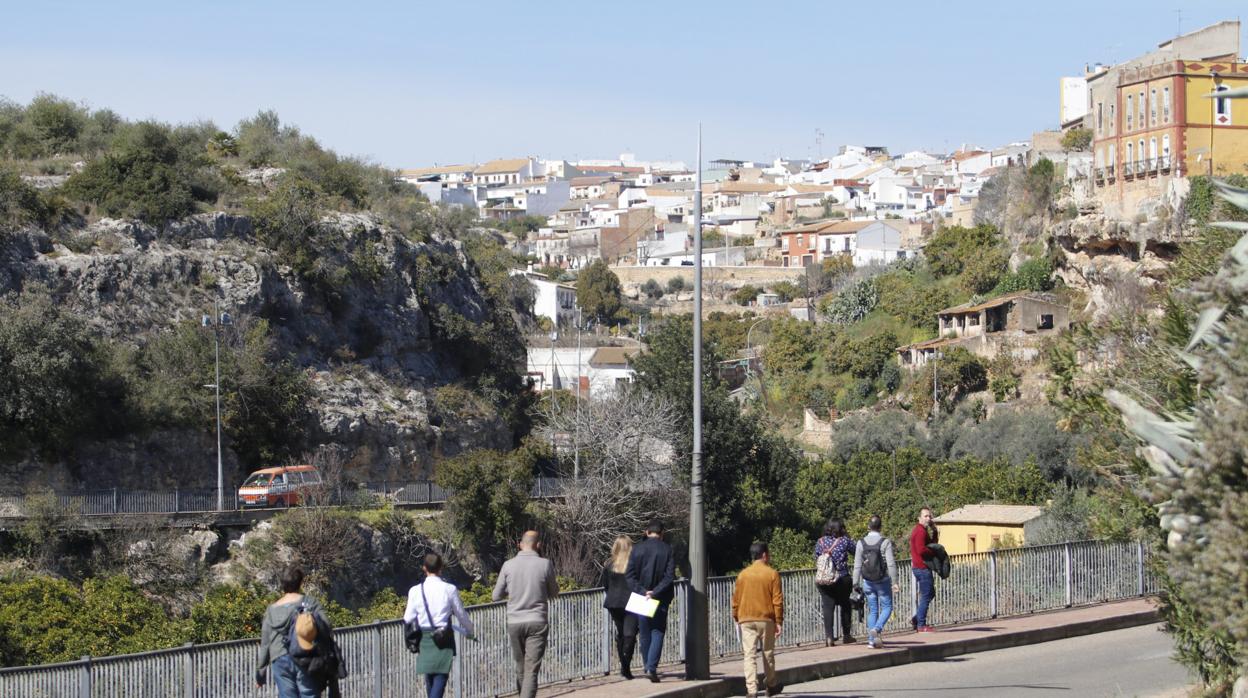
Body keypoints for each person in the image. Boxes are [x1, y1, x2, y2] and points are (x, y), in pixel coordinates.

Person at [493, 530, 560, 698]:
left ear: (520, 545)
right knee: (531, 670)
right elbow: (554, 592)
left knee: (521, 667)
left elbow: (496, 596)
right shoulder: (545, 564)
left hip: (514, 622)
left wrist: (512, 588)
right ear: (539, 545)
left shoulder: (508, 565)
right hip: (537, 620)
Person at [404, 552, 475, 698]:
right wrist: (470, 630)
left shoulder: (415, 591)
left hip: (424, 637)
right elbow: (461, 615)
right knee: (440, 678)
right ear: (441, 568)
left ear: (424, 568)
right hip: (444, 636)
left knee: (430, 678)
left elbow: (408, 617)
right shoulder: (449, 589)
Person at [256, 566, 333, 698]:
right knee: (309, 694)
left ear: (282, 584)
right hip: (306, 655)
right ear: (300, 582)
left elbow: (265, 643)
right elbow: (327, 626)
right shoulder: (309, 603)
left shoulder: (271, 610)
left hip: (279, 658)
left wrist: (260, 673)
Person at [732, 542, 785, 698]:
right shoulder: (772, 574)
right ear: (764, 555)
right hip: (766, 618)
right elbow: (777, 600)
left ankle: (752, 690)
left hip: (746, 618)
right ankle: (771, 684)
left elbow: (735, 599)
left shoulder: (742, 575)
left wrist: (736, 615)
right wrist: (779, 621)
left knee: (749, 655)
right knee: (767, 653)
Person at [625, 519, 676, 683]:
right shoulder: (667, 550)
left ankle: (647, 665)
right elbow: (669, 576)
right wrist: (655, 592)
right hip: (660, 597)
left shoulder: (637, 549)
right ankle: (652, 667)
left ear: (647, 532)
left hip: (641, 597)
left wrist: (642, 591)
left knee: (645, 632)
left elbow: (630, 576)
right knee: (658, 631)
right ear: (662, 534)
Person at [852, 515, 899, 650]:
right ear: (880, 527)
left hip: (868, 581)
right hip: (882, 581)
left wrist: (855, 583)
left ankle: (871, 641)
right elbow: (890, 563)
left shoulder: (861, 543)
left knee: (873, 610)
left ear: (868, 527)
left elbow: (857, 565)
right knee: (887, 607)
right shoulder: (885, 542)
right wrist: (895, 581)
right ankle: (877, 628)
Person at [599, 535, 639, 679]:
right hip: (632, 602)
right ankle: (625, 667)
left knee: (622, 633)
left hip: (614, 602)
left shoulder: (609, 564)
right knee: (630, 634)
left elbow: (606, 585)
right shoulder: (634, 564)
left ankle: (624, 666)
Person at [813, 519, 854, 646]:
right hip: (841, 577)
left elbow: (816, 556)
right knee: (845, 604)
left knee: (827, 606)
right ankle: (846, 635)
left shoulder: (820, 541)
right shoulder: (844, 540)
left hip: (824, 579)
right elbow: (856, 550)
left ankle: (829, 637)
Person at [910, 507, 938, 632]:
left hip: (920, 567)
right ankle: (921, 624)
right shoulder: (920, 532)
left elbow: (932, 543)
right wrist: (932, 552)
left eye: (929, 516)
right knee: (927, 595)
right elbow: (922, 549)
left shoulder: (922, 530)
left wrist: (935, 531)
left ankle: (916, 618)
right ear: (919, 518)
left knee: (930, 593)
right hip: (922, 567)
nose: (928, 518)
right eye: (926, 516)